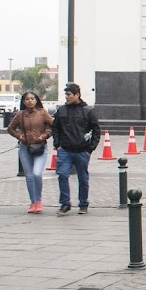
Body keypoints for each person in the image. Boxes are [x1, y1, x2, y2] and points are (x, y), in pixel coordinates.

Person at [52, 83, 100, 216]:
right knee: (62, 174)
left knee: (83, 178)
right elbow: (55, 128)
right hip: (65, 150)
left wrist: (90, 149)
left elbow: (96, 130)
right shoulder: (61, 110)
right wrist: (57, 145)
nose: (66, 97)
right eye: (65, 95)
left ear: (77, 95)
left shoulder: (88, 111)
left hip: (82, 151)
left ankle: (83, 203)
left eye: (69, 95)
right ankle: (65, 203)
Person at [7, 92, 54, 213]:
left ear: (36, 100)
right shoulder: (20, 114)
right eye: (27, 99)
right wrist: (20, 136)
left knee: (37, 173)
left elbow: (53, 126)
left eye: (32, 99)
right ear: (23, 102)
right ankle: (33, 202)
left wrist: (44, 136)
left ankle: (38, 200)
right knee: (29, 176)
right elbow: (10, 128)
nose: (30, 101)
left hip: (40, 147)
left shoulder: (42, 113)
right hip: (25, 148)